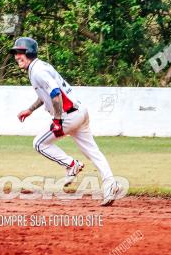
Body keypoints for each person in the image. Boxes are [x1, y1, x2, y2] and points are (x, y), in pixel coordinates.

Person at [13, 37, 119, 206]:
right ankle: (110, 184)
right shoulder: (40, 67)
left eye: (20, 52)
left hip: (68, 115)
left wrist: (57, 119)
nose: (17, 56)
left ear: (29, 52)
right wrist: (30, 109)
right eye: (16, 53)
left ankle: (72, 165)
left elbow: (55, 93)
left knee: (39, 143)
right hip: (80, 112)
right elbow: (45, 95)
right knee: (93, 152)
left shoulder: (37, 71)